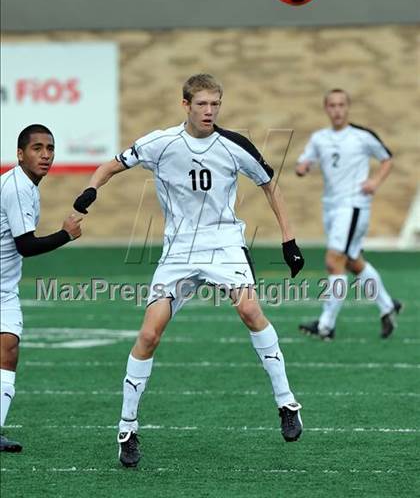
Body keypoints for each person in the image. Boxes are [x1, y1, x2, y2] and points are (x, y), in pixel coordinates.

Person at [73, 74, 305, 468]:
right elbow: (112, 165)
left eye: (215, 104)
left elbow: (270, 185)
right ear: (186, 105)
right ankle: (127, 427)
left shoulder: (234, 145)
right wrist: (88, 194)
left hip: (224, 245)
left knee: (250, 311)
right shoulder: (161, 143)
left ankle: (287, 403)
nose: (209, 111)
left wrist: (289, 240)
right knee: (148, 334)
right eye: (202, 104)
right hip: (179, 252)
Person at [0, 124, 82, 453]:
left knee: (8, 349)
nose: (45, 154)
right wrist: (66, 234)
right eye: (37, 148)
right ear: (20, 154)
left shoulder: (27, 185)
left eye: (49, 148)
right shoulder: (18, 186)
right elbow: (26, 246)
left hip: (4, 289)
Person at [295, 89, 402, 340]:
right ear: (326, 109)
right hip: (330, 207)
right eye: (332, 105)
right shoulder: (319, 138)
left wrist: (375, 182)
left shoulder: (362, 136)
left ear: (348, 107)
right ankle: (387, 307)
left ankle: (325, 325)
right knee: (353, 261)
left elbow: (387, 159)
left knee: (334, 262)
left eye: (341, 105)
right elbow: (304, 161)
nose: (337, 110)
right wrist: (302, 167)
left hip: (354, 206)